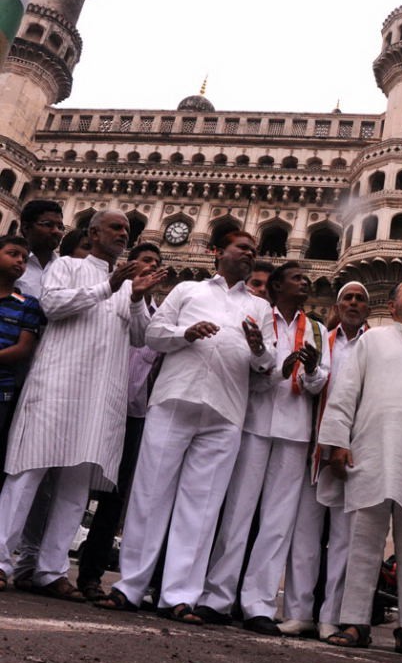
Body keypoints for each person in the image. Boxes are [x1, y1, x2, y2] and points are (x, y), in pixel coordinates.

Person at [96, 227, 275, 622]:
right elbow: (155, 336)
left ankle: (180, 595)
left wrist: (259, 347)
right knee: (150, 496)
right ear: (217, 252)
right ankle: (130, 586)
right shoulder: (188, 291)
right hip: (175, 399)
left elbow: (268, 366)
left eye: (254, 251)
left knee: (202, 505)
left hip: (226, 411)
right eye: (242, 248)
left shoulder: (259, 308)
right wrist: (186, 333)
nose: (249, 255)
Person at [0, 210, 164, 601]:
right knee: (27, 472)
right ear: (93, 233)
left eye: (127, 230)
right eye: (116, 228)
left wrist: (138, 298)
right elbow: (54, 307)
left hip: (100, 394)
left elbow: (142, 338)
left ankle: (51, 571)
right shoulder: (68, 267)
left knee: (76, 486)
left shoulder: (130, 284)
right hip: (57, 382)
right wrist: (109, 286)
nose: (124, 235)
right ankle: (3, 561)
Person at [197, 262, 330, 634]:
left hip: (294, 430)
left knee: (277, 523)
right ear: (276, 286)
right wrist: (275, 370)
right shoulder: (256, 316)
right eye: (296, 278)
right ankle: (217, 597)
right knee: (238, 513)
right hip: (255, 422)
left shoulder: (316, 329)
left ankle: (259, 603)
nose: (304, 283)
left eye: (305, 279)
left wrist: (312, 371)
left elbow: (319, 386)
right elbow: (247, 373)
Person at [321, 279, 402, 660]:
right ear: (392, 307)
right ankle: (355, 622)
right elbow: (344, 392)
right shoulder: (372, 341)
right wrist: (338, 441)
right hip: (370, 450)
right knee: (363, 540)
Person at [279, 281, 370, 640]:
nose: (353, 303)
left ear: (368, 308)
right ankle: (299, 612)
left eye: (359, 299)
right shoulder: (321, 340)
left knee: (345, 541)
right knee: (304, 535)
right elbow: (308, 384)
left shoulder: (373, 344)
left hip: (352, 453)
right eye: (347, 298)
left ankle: (332, 616)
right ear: (336, 306)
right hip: (316, 450)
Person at [77, 243, 164, 601]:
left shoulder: (157, 315)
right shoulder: (109, 297)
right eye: (145, 260)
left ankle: (91, 575)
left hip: (133, 413)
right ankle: (42, 562)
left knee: (114, 497)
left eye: (157, 264)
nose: (151, 267)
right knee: (75, 485)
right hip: (97, 400)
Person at [10, 200, 64, 588]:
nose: (56, 231)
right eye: (48, 224)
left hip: (46, 374)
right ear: (25, 226)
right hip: (10, 369)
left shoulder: (65, 267)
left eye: (60, 226)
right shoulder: (12, 263)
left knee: (39, 470)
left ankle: (30, 558)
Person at [0, 236, 44, 458]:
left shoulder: (27, 304)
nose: (19, 261)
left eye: (24, 259)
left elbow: (23, 348)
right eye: (13, 254)